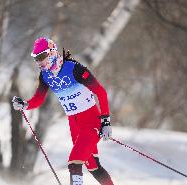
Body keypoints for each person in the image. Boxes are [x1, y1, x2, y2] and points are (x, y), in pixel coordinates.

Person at [12, 37, 114, 185]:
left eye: (41, 56)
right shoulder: (45, 75)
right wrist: (25, 105)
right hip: (74, 125)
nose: (39, 61)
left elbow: (101, 92)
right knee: (93, 166)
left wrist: (105, 122)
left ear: (52, 52)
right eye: (36, 58)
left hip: (91, 121)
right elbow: (38, 98)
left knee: (74, 163)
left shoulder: (74, 68)